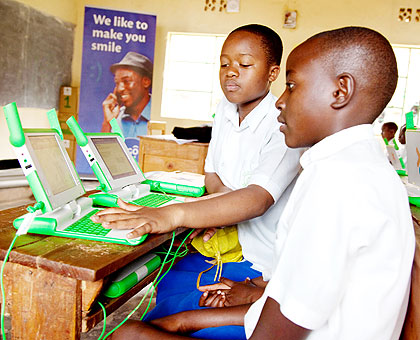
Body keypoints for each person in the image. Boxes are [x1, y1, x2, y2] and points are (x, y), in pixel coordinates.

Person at [109, 26, 415, 340]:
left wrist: (173, 215)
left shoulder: (338, 183)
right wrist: (187, 320)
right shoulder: (355, 167)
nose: (280, 101)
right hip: (285, 319)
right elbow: (295, 306)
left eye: (292, 86)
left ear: (340, 91)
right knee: (154, 320)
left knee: (128, 334)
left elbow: (277, 331)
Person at [94, 23, 302, 339]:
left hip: (256, 261)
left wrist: (176, 212)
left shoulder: (283, 124)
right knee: (168, 281)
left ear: (273, 73)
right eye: (224, 64)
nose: (231, 72)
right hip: (222, 240)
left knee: (154, 320)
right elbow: (213, 175)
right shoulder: (225, 110)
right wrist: (222, 211)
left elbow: (257, 199)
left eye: (244, 65)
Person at [101, 51, 153, 139]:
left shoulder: (157, 117)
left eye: (127, 81)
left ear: (146, 82)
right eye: (117, 83)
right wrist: (108, 122)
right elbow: (104, 151)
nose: (120, 89)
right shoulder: (116, 118)